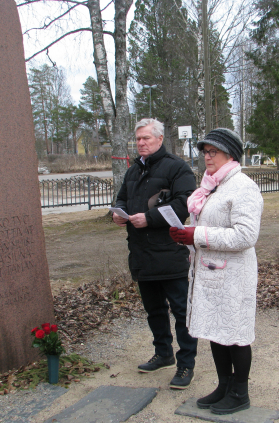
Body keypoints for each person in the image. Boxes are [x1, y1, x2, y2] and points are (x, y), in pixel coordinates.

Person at [169, 128, 263, 414]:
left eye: (214, 152)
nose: (207, 157)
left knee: (235, 333)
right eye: (205, 152)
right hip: (209, 272)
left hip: (234, 275)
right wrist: (186, 236)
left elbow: (246, 237)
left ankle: (239, 393)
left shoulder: (243, 187)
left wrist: (197, 235)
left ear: (230, 154)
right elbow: (207, 226)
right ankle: (224, 386)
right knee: (215, 330)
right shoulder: (211, 186)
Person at [112, 118, 198, 389]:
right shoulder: (133, 170)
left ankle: (186, 364)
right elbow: (122, 197)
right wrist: (117, 212)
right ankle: (163, 354)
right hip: (141, 254)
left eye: (146, 138)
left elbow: (185, 202)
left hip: (170, 252)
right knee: (153, 310)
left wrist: (149, 218)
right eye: (137, 139)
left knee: (182, 312)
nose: (140, 143)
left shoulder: (177, 167)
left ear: (159, 139)